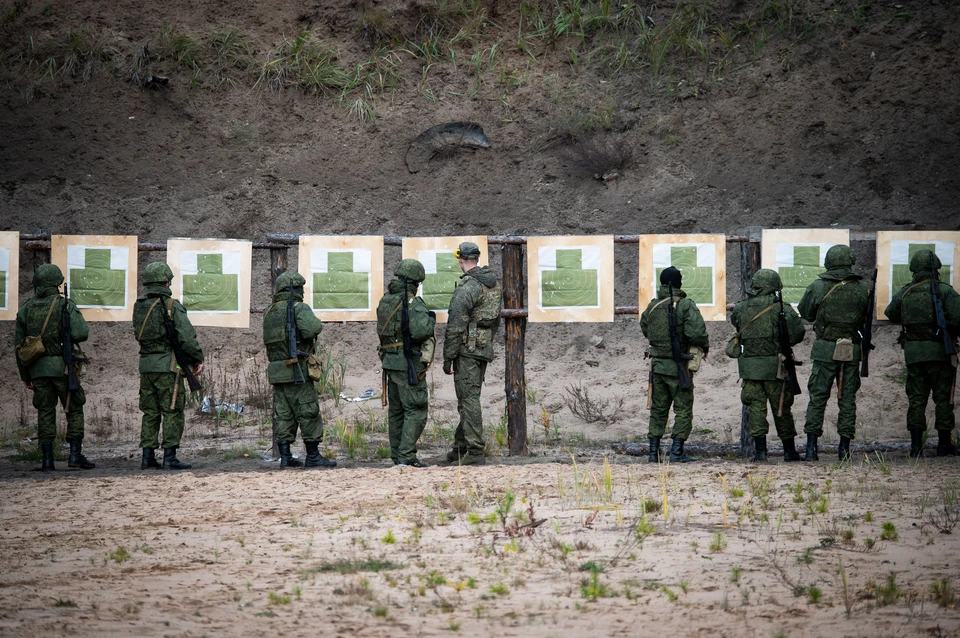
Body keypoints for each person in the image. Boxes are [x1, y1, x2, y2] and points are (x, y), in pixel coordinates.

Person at [15, 263, 94, 471]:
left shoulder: (25, 309)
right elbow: (81, 333)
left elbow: (20, 347)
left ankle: (47, 460)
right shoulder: (65, 305)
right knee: (75, 408)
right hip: (63, 368)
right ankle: (75, 455)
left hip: (38, 370)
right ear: (57, 283)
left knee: (45, 412)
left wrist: (26, 375)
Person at [883, 249, 960, 457]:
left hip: (914, 354)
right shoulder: (945, 291)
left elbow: (890, 313)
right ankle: (944, 445)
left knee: (917, 400)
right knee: (943, 399)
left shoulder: (907, 292)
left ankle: (916, 447)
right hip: (940, 353)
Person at [798, 244, 871, 462]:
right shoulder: (862, 288)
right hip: (851, 350)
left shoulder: (818, 286)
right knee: (847, 399)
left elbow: (806, 313)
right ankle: (844, 449)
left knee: (818, 398)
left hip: (824, 350)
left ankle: (811, 449)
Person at [729, 269, 806, 462]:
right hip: (776, 368)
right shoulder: (782, 309)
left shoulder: (741, 308)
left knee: (756, 409)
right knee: (781, 408)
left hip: (750, 368)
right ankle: (789, 452)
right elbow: (797, 335)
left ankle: (760, 454)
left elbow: (737, 325)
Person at [133, 262, 204, 470]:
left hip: (146, 366)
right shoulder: (172, 306)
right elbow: (188, 338)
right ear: (166, 281)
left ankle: (147, 457)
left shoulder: (139, 305)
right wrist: (197, 358)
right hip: (168, 366)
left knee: (150, 412)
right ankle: (170, 457)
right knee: (172, 409)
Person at [263, 271, 336, 469]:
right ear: (296, 290)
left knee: (284, 414)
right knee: (308, 411)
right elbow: (312, 329)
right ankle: (313, 456)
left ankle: (286, 457)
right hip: (296, 369)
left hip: (277, 372)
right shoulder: (298, 307)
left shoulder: (269, 311)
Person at [640, 266, 709, 463]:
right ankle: (677, 452)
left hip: (658, 367)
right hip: (680, 367)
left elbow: (645, 327)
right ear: (679, 283)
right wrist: (704, 347)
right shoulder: (685, 305)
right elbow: (697, 332)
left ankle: (653, 454)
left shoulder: (652, 306)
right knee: (683, 409)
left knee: (658, 409)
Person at [442, 242, 502, 466]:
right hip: (482, 348)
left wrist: (448, 357)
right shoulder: (492, 284)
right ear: (476, 258)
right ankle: (461, 446)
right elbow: (494, 321)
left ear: (461, 260)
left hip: (466, 350)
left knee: (468, 400)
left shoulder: (468, 287)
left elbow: (456, 325)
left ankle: (475, 450)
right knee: (469, 398)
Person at [377, 259, 437, 467]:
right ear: (416, 282)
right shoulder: (413, 303)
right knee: (415, 409)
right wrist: (431, 319)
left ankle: (397, 455)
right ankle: (407, 455)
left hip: (390, 362)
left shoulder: (386, 300)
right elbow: (420, 331)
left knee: (396, 411)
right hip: (407, 363)